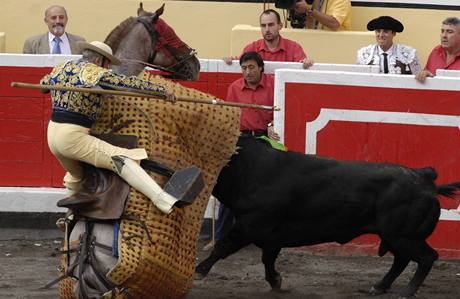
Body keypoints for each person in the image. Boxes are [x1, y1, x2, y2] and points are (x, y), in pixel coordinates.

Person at [41, 40, 192, 215]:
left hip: (52, 134)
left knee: (77, 176)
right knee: (121, 160)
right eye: (107, 65)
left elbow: (43, 86)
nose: (108, 69)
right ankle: (164, 201)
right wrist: (161, 91)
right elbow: (126, 83)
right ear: (99, 61)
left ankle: (70, 218)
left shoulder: (61, 68)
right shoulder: (94, 72)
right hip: (72, 136)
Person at [215, 51, 279, 243]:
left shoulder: (275, 85)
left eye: (251, 67)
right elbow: (229, 118)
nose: (248, 72)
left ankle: (264, 235)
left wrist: (270, 127)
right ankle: (221, 236)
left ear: (261, 68)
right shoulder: (235, 87)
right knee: (230, 188)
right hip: (241, 141)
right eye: (244, 68)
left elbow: (282, 113)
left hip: (265, 140)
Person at [224, 9, 313, 69]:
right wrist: (229, 60)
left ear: (280, 26)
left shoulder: (294, 48)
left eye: (271, 25)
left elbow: (303, 67)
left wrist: (307, 63)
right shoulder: (251, 48)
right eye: (263, 26)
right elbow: (238, 64)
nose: (267, 29)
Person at [356, 16, 421, 75]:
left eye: (385, 31)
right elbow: (358, 78)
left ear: (394, 33)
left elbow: (418, 75)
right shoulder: (364, 54)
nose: (381, 35)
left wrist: (424, 74)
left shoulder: (408, 53)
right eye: (378, 31)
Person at [416, 17, 460, 82]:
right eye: (442, 31)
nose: (444, 35)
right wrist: (425, 75)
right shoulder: (436, 51)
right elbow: (427, 73)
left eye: (450, 32)